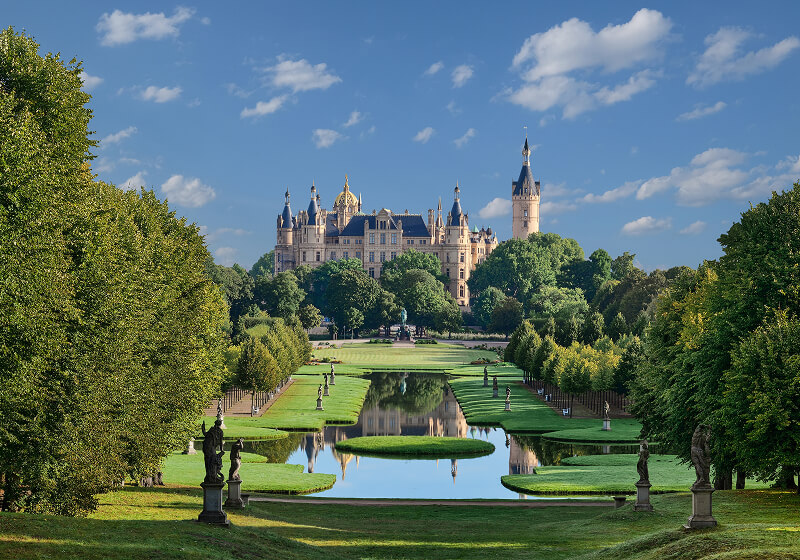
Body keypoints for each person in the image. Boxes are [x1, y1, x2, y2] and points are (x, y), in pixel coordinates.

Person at [201, 419, 224, 483]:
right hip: (210, 448)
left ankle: (210, 476)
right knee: (212, 461)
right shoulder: (220, 431)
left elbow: (205, 433)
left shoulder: (212, 429)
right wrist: (222, 450)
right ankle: (212, 477)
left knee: (208, 462)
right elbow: (221, 442)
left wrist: (203, 427)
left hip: (207, 448)